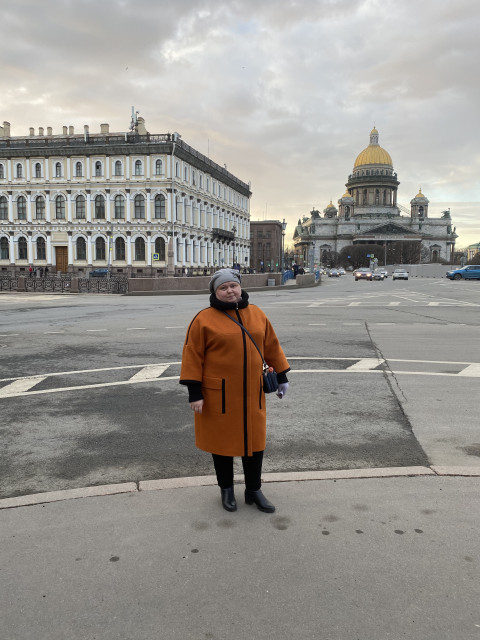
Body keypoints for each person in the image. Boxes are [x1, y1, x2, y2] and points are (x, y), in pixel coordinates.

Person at [180, 268, 290, 514]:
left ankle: (253, 490)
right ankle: (226, 489)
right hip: (219, 395)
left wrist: (282, 376)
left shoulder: (257, 314)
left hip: (253, 394)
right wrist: (194, 392)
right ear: (215, 292)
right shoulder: (204, 319)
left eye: (233, 286)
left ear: (240, 287)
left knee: (255, 443)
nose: (229, 291)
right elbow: (192, 355)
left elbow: (271, 346)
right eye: (223, 287)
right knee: (222, 445)